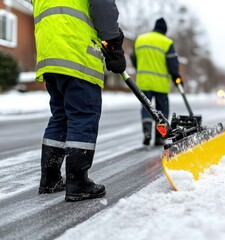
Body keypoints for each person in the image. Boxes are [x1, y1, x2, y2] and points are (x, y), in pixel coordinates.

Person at [32, 0, 126, 202]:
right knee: (83, 115)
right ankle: (78, 183)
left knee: (61, 117)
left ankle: (50, 179)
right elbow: (103, 5)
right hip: (77, 50)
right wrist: (114, 42)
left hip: (49, 53)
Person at [131, 17, 181, 146]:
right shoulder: (166, 42)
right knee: (162, 110)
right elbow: (172, 64)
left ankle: (147, 132)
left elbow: (133, 57)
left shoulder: (141, 39)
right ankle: (159, 137)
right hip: (160, 84)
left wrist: (139, 68)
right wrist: (177, 77)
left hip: (143, 81)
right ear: (165, 30)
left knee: (146, 107)